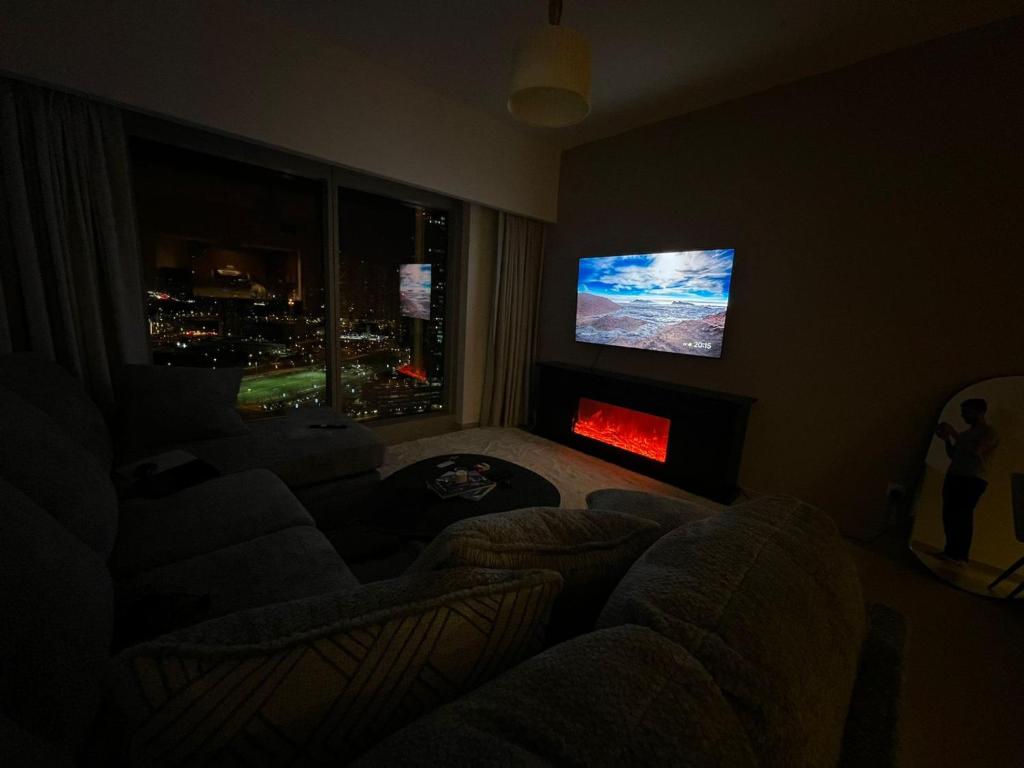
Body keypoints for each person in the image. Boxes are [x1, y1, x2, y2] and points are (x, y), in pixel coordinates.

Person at [935, 398, 998, 564]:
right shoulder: (965, 434)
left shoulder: (989, 432)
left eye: (966, 412)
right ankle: (951, 551)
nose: (963, 416)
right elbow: (954, 455)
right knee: (949, 514)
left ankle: (961, 555)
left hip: (973, 479)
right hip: (955, 475)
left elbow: (977, 451)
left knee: (962, 515)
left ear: (979, 412)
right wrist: (947, 440)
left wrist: (953, 433)